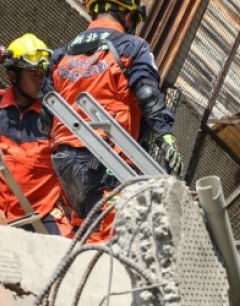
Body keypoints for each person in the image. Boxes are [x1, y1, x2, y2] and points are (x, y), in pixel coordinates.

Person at [45, 0, 183, 241]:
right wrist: (165, 136)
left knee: (83, 228)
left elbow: (46, 112)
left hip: (64, 158)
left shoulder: (61, 55)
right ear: (124, 13)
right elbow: (147, 94)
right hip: (107, 158)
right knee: (108, 239)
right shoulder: (132, 46)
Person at [0, 33, 71, 236]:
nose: (40, 81)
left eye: (43, 74)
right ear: (12, 75)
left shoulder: (57, 116)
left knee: (67, 254)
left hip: (37, 217)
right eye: (33, 74)